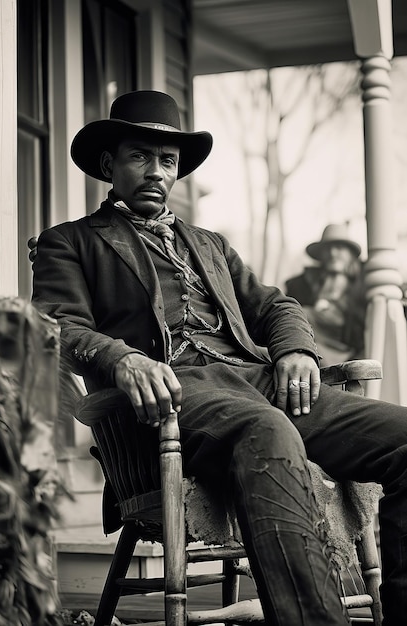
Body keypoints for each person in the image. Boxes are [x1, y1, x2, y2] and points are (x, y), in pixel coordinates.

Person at [31, 90, 407, 626]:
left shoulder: (210, 244)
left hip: (259, 382)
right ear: (109, 163)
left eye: (168, 161)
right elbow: (55, 326)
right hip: (172, 395)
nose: (156, 172)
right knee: (267, 428)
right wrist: (121, 359)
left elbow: (276, 304)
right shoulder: (69, 242)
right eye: (140, 156)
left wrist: (296, 349)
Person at [285, 224, 366, 365]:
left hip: (347, 354)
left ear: (350, 254)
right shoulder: (304, 283)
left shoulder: (363, 284)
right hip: (307, 347)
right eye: (327, 249)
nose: (333, 253)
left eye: (339, 248)